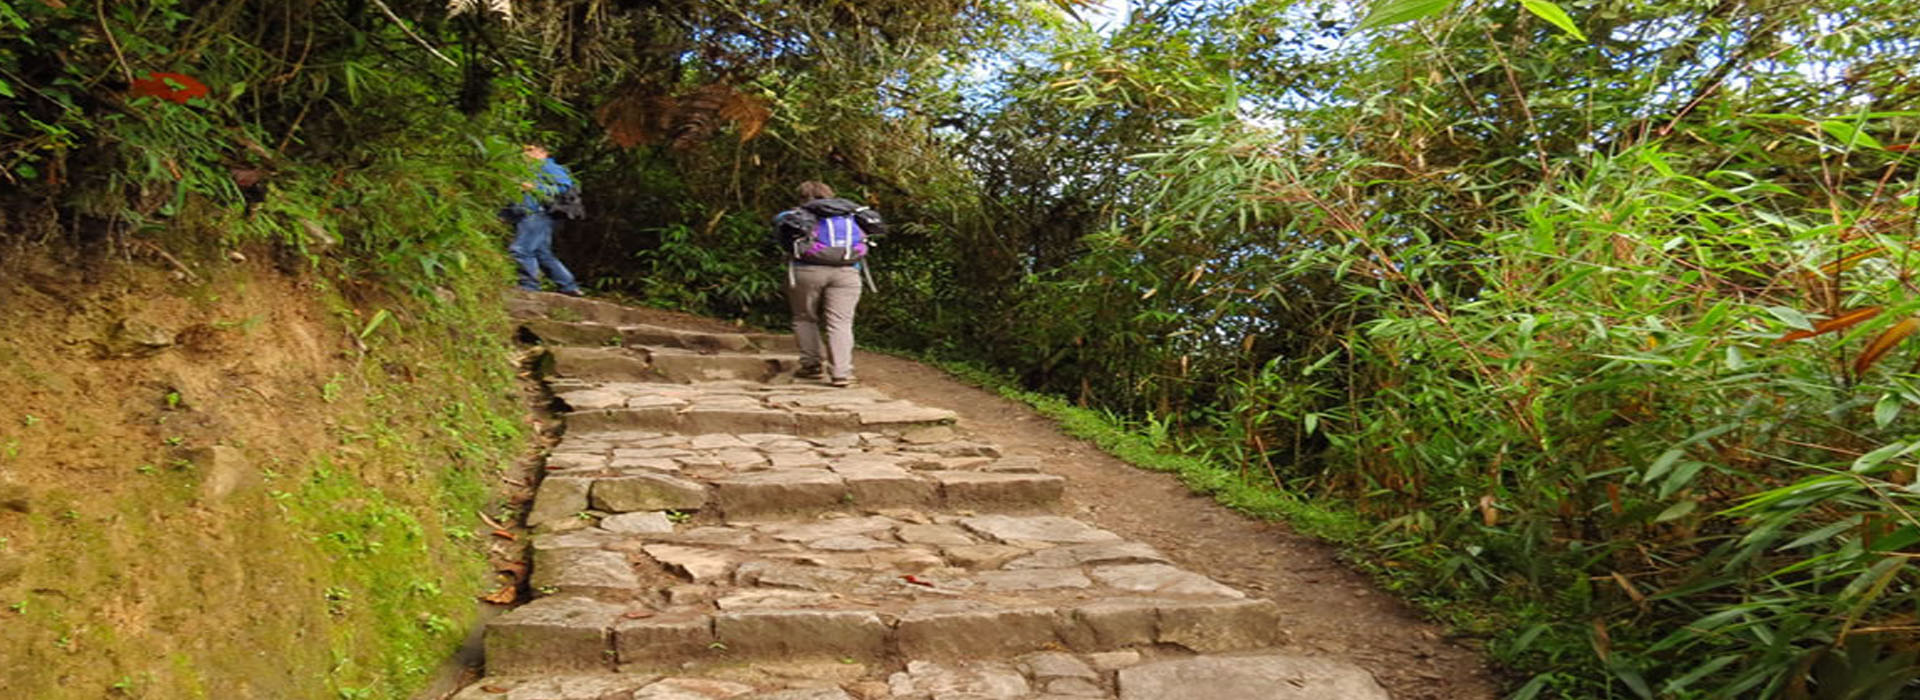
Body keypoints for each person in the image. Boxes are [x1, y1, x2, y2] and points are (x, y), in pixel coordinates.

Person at [773, 181, 886, 387]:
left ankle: (812, 366)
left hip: (806, 270)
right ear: (831, 195)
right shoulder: (851, 215)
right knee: (840, 322)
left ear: (801, 197)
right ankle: (841, 373)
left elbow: (780, 231)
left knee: (805, 317)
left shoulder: (793, 216)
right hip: (848, 272)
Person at [504, 143, 583, 296]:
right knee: (542, 253)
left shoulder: (548, 167)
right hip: (529, 213)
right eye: (524, 150)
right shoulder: (529, 170)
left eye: (529, 150)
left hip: (538, 214)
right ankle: (568, 285)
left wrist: (535, 187)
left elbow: (564, 187)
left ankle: (529, 286)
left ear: (542, 152)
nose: (525, 154)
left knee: (521, 250)